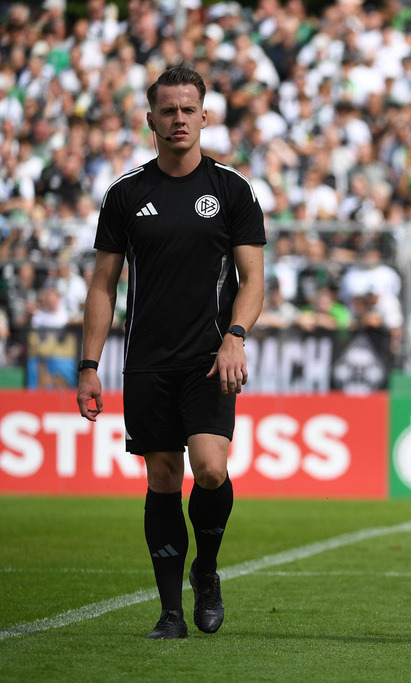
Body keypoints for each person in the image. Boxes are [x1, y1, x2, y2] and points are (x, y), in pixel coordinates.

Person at [76, 66, 266, 640]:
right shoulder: (126, 193)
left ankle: (205, 570)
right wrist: (88, 365)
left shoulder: (231, 189)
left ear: (204, 116)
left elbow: (253, 280)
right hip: (148, 362)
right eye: (168, 110)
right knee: (162, 478)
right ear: (151, 118)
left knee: (209, 471)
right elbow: (103, 286)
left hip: (211, 358)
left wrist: (234, 336)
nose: (178, 119)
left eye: (189, 109)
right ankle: (170, 611)